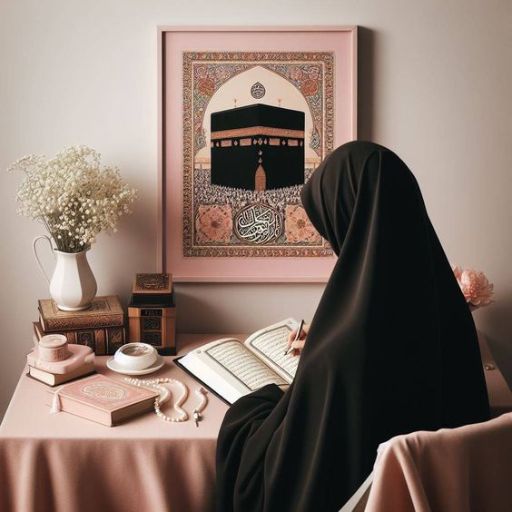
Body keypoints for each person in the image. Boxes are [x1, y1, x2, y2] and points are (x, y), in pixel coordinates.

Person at [216, 141, 490, 512]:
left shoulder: (342, 354)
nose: (333, 242)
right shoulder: (451, 313)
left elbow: (287, 473)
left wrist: (255, 409)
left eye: (332, 225)